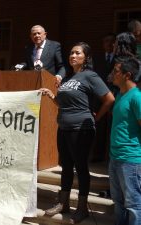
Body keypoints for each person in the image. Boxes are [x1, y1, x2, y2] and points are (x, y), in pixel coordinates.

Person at [40, 42, 115, 224]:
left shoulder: (90, 76)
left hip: (81, 129)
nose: (73, 56)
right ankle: (63, 203)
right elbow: (64, 103)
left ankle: (82, 208)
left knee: (81, 168)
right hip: (64, 129)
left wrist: (96, 118)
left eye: (77, 53)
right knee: (66, 167)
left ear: (86, 57)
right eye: (71, 53)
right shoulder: (69, 78)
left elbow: (109, 98)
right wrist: (52, 96)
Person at [109, 56, 141, 225]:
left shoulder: (137, 97)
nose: (112, 74)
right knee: (118, 201)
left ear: (127, 75)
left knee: (134, 204)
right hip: (115, 157)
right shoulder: (120, 94)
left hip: (131, 159)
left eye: (116, 71)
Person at [91, 33, 116, 162]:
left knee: (112, 126)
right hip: (99, 97)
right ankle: (97, 155)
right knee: (98, 125)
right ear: (103, 44)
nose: (109, 44)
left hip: (115, 96)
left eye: (112, 41)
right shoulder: (97, 58)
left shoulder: (119, 59)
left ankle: (110, 156)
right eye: (106, 41)